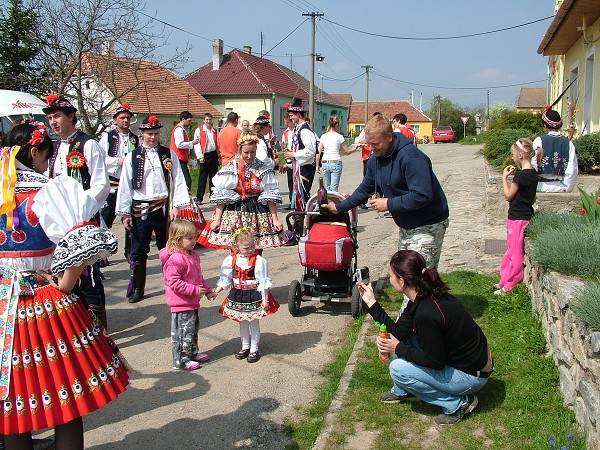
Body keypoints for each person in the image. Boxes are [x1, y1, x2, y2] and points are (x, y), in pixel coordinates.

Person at [0, 123, 129, 447]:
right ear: (33, 152)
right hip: (42, 303)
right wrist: (64, 284)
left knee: (14, 404)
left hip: (3, 302)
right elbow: (79, 246)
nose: (49, 161)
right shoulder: (47, 193)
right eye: (46, 155)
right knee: (66, 400)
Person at [358, 250, 493, 425]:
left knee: (397, 368)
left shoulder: (426, 314)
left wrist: (397, 348)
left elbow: (436, 361)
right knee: (404, 340)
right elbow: (398, 332)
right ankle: (404, 390)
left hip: (470, 376)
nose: (389, 279)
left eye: (390, 276)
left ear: (402, 281)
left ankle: (458, 403)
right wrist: (371, 302)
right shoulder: (423, 294)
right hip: (470, 362)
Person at [322, 114, 449, 270]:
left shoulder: (412, 158)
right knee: (408, 273)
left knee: (419, 276)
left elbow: (422, 195)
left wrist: (389, 203)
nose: (371, 148)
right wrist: (339, 207)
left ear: (389, 137)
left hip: (428, 222)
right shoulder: (376, 158)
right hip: (407, 224)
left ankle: (428, 294)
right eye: (368, 144)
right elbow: (365, 188)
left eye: (375, 144)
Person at [44, 93, 111, 327]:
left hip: (83, 221)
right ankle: (77, 326)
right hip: (61, 224)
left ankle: (99, 329)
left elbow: (101, 185)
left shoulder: (88, 144)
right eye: (50, 117)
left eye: (57, 116)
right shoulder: (52, 149)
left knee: (89, 273)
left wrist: (79, 208)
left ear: (71, 116)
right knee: (64, 273)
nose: (53, 122)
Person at [116, 115, 190, 303]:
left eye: (156, 134)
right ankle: (139, 288)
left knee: (169, 248)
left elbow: (178, 179)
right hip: (140, 209)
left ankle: (173, 283)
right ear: (141, 134)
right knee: (139, 250)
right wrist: (125, 213)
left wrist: (176, 206)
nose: (153, 137)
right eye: (149, 134)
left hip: (163, 209)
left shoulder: (167, 153)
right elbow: (125, 185)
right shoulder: (132, 156)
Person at [197, 131, 289, 249]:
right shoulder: (231, 169)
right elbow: (223, 196)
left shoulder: (263, 169)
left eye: (253, 152)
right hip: (235, 211)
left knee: (256, 248)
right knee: (236, 248)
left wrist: (275, 219)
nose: (249, 156)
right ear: (240, 150)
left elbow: (270, 195)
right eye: (246, 152)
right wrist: (217, 219)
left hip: (258, 211)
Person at [212, 228, 279, 363]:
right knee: (242, 322)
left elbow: (263, 281)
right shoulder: (231, 259)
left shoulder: (259, 261)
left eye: (252, 246)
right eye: (246, 247)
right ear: (237, 247)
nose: (250, 250)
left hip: (253, 294)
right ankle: (245, 346)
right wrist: (216, 291)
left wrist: (265, 300)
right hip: (238, 294)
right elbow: (226, 278)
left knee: (253, 322)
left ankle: (254, 349)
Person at [159, 219, 216, 371]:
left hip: (192, 302)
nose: (194, 241)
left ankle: (192, 352)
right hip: (181, 303)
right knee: (182, 332)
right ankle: (181, 360)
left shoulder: (193, 255)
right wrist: (194, 290)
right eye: (189, 238)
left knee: (192, 329)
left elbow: (199, 276)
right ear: (178, 240)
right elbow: (173, 282)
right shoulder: (176, 260)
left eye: (194, 237)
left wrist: (208, 289)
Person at [495, 138, 538, 295]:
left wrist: (504, 178)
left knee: (514, 252)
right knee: (512, 249)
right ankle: (505, 279)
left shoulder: (520, 176)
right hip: (526, 215)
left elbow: (508, 196)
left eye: (513, 154)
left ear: (520, 155)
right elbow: (532, 198)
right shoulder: (534, 174)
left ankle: (510, 283)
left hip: (516, 217)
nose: (512, 157)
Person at [98, 102, 138, 259]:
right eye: (122, 118)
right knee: (105, 219)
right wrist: (117, 161)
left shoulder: (135, 138)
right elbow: (100, 158)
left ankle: (130, 251)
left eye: (128, 118)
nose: (125, 121)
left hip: (129, 185)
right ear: (115, 120)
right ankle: (102, 253)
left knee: (130, 219)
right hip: (113, 183)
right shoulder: (107, 137)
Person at [532, 107, 578, 193]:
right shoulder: (569, 143)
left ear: (545, 125)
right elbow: (572, 168)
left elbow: (532, 164)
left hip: (539, 186)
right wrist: (567, 187)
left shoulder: (539, 140)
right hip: (560, 186)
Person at [283, 98, 317, 212]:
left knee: (303, 198)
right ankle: (299, 223)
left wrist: (294, 154)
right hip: (299, 168)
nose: (291, 118)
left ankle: (303, 222)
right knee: (299, 198)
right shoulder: (298, 129)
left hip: (305, 169)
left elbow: (311, 150)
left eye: (292, 115)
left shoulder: (305, 131)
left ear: (298, 114)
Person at [317, 116, 355, 192]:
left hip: (325, 162)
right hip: (335, 162)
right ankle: (333, 203)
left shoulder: (323, 136)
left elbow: (318, 151)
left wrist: (317, 165)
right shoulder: (339, 137)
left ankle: (327, 202)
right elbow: (347, 151)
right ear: (337, 125)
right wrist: (354, 148)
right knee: (334, 188)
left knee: (327, 188)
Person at [170, 111, 199, 193]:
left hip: (182, 159)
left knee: (185, 180)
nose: (190, 123)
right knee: (186, 181)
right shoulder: (179, 130)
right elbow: (179, 144)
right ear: (183, 119)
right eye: (189, 121)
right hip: (178, 159)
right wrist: (192, 143)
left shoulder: (182, 130)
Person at [194, 112, 219, 203]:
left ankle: (213, 196)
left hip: (213, 155)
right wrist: (200, 156)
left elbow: (218, 143)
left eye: (209, 119)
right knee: (203, 177)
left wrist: (218, 155)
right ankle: (199, 197)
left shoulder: (215, 130)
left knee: (214, 177)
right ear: (204, 120)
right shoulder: (199, 130)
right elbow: (197, 145)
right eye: (206, 119)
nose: (208, 121)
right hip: (205, 155)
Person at [280, 115, 295, 209]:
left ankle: (297, 202)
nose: (286, 124)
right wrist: (282, 146)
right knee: (290, 182)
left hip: (295, 157)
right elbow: (285, 145)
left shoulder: (296, 131)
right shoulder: (286, 132)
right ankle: (292, 202)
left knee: (296, 182)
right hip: (288, 158)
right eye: (285, 122)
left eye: (288, 122)